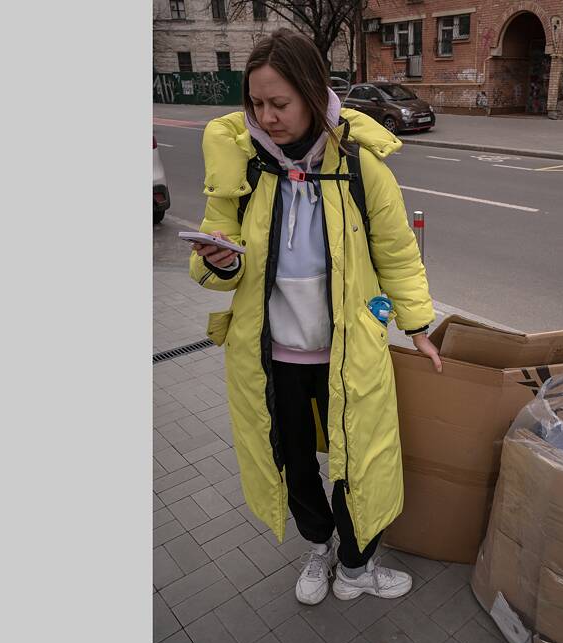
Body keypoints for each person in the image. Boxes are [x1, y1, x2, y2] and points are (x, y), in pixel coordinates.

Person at [188, 29, 442, 606]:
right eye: (256, 104)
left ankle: (357, 566)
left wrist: (418, 325)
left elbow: (398, 252)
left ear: (311, 92)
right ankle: (319, 547)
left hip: (348, 351)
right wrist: (219, 262)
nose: (266, 117)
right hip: (272, 353)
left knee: (361, 460)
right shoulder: (244, 170)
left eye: (280, 103)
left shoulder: (359, 166)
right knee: (293, 458)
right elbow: (207, 266)